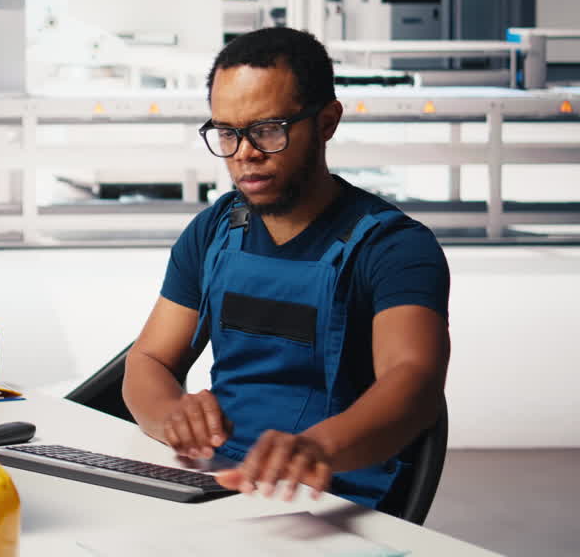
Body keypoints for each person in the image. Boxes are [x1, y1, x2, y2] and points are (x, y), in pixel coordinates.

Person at [122, 27, 450, 511]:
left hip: (332, 500)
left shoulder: (393, 248)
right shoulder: (214, 231)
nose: (244, 153)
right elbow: (147, 362)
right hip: (217, 483)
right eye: (228, 133)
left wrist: (319, 448)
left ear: (327, 122)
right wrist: (172, 415)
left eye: (268, 130)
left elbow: (414, 382)